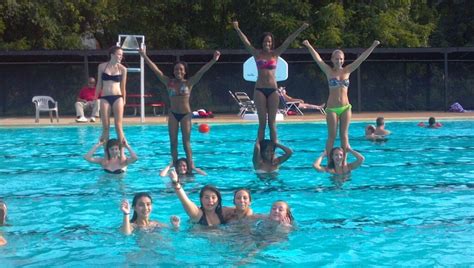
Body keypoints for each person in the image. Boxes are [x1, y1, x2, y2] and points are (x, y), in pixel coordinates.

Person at [139, 48, 220, 174]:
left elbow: (202, 71)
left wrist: (213, 60)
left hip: (185, 115)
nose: (178, 71)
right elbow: (155, 69)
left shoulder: (189, 82)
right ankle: (176, 166)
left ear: (185, 71)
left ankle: (190, 167)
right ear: (173, 71)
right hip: (173, 114)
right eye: (176, 69)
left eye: (181, 69)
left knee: (186, 142)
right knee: (173, 142)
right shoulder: (168, 82)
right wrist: (144, 56)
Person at [233, 20, 309, 142]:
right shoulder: (257, 54)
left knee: (272, 124)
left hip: (273, 90)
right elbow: (246, 42)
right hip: (259, 90)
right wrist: (237, 29)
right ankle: (259, 149)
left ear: (272, 43)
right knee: (262, 124)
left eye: (269, 41)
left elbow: (288, 41)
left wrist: (300, 29)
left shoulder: (276, 54)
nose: (267, 43)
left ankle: (273, 148)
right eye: (265, 41)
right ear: (262, 42)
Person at [303, 40, 380, 154]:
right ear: (332, 60)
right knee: (332, 136)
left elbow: (361, 59)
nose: (339, 61)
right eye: (336, 58)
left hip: (345, 107)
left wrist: (373, 46)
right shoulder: (328, 71)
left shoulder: (347, 70)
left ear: (343, 60)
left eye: (341, 59)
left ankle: (343, 161)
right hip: (332, 108)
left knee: (344, 136)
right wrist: (309, 46)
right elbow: (317, 59)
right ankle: (329, 160)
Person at [169, 170, 233, 226]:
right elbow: (185, 200)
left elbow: (240, 209)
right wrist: (176, 183)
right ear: (201, 199)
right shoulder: (197, 214)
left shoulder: (224, 212)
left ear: (218, 200)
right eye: (206, 197)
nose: (210, 200)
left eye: (213, 197)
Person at [96, 46, 128, 144]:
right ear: (112, 55)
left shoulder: (123, 69)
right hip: (104, 98)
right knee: (105, 127)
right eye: (119, 54)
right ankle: (107, 154)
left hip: (118, 97)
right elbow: (99, 84)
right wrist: (95, 98)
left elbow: (123, 87)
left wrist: (124, 100)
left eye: (122, 55)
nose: (121, 57)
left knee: (118, 126)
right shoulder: (102, 66)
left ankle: (122, 153)